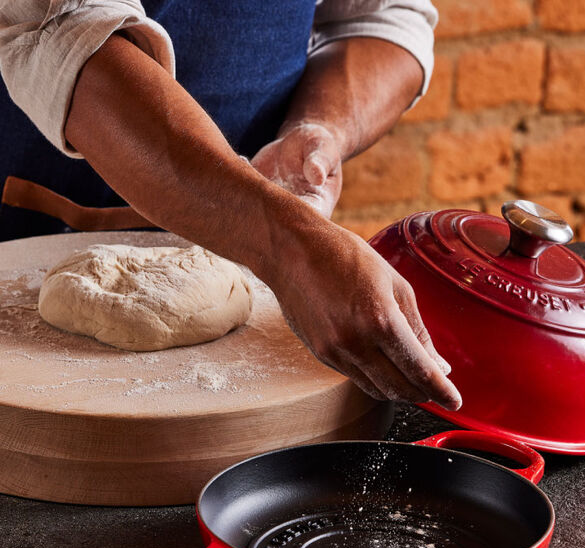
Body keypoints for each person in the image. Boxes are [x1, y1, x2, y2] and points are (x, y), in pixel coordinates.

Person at [0, 1, 461, 410]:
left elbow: (378, 16)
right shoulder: (281, 242)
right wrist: (287, 245)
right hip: (21, 222)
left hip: (251, 234)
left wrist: (321, 127)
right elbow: (64, 32)